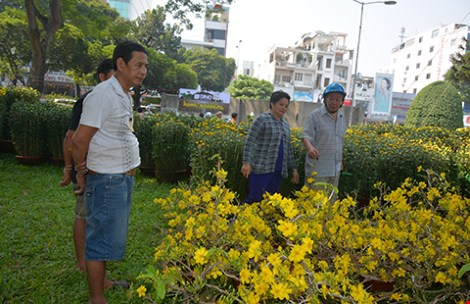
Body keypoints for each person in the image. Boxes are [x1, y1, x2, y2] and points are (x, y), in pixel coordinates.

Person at [72, 40, 148, 304]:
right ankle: (97, 298)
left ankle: (102, 281)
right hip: (105, 180)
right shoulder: (103, 95)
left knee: (106, 239)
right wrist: (81, 172)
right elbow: (79, 140)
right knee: (99, 240)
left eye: (145, 66)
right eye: (138, 65)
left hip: (120, 179)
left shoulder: (123, 94)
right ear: (120, 64)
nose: (143, 71)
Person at [59, 59, 114, 277]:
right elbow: (71, 138)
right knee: (85, 216)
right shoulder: (90, 100)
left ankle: (93, 265)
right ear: (102, 77)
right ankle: (83, 261)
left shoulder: (111, 100)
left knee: (98, 219)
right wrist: (71, 168)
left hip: (104, 170)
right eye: (114, 75)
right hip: (89, 171)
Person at [241, 90, 299, 203]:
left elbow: (288, 149)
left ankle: (262, 221)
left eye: (286, 106)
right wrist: (246, 163)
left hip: (278, 171)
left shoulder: (286, 125)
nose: (283, 108)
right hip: (262, 168)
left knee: (270, 202)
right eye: (281, 104)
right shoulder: (262, 119)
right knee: (255, 198)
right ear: (272, 103)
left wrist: (294, 168)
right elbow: (249, 141)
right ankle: (235, 220)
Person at [301, 82, 347, 192]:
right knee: (314, 204)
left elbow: (339, 141)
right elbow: (305, 136)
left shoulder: (341, 117)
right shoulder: (315, 115)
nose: (334, 102)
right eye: (331, 98)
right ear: (325, 99)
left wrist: (340, 160)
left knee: (331, 204)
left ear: (341, 102)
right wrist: (310, 148)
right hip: (318, 169)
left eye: (337, 99)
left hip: (335, 170)